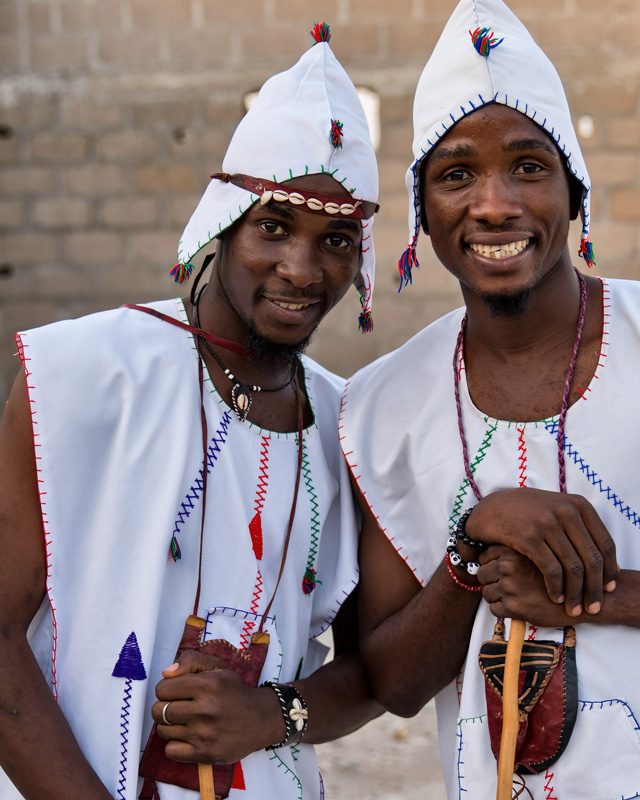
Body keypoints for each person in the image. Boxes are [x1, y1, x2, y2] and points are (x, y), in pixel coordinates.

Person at [339, 1, 640, 797]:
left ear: (574, 190)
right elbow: (395, 683)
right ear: (422, 213)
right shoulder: (383, 406)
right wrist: (472, 545)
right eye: (456, 174)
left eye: (528, 166)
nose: (494, 204)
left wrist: (602, 595)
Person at [0, 21, 381, 800]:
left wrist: (274, 713)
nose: (302, 268)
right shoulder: (88, 371)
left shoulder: (347, 424)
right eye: (273, 227)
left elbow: (373, 673)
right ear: (221, 225)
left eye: (337, 240)